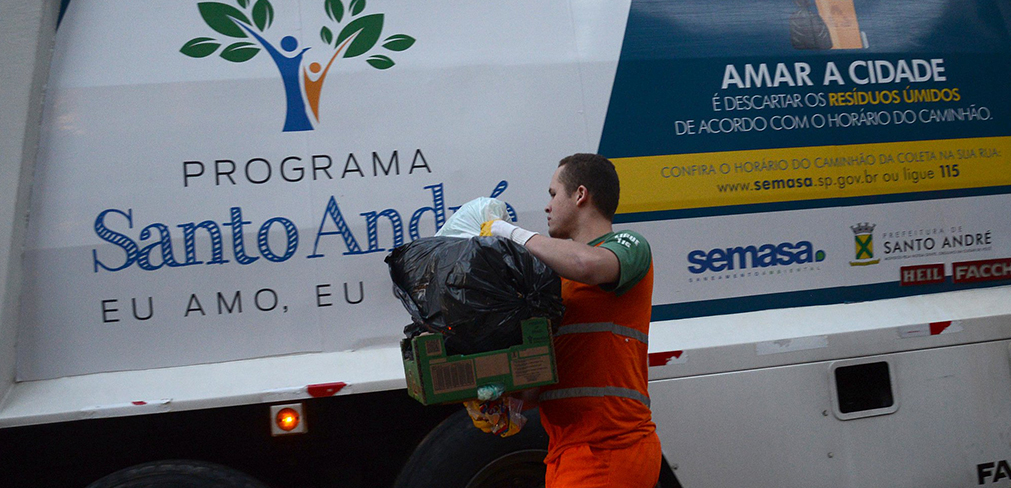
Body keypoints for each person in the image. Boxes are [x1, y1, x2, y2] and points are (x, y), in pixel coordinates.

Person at [484, 153, 661, 488]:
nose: (548, 206)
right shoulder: (556, 280)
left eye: (553, 194)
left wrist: (513, 234)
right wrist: (510, 402)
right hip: (569, 453)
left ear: (580, 195)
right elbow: (549, 373)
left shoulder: (628, 246)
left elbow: (587, 265)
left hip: (611, 448)